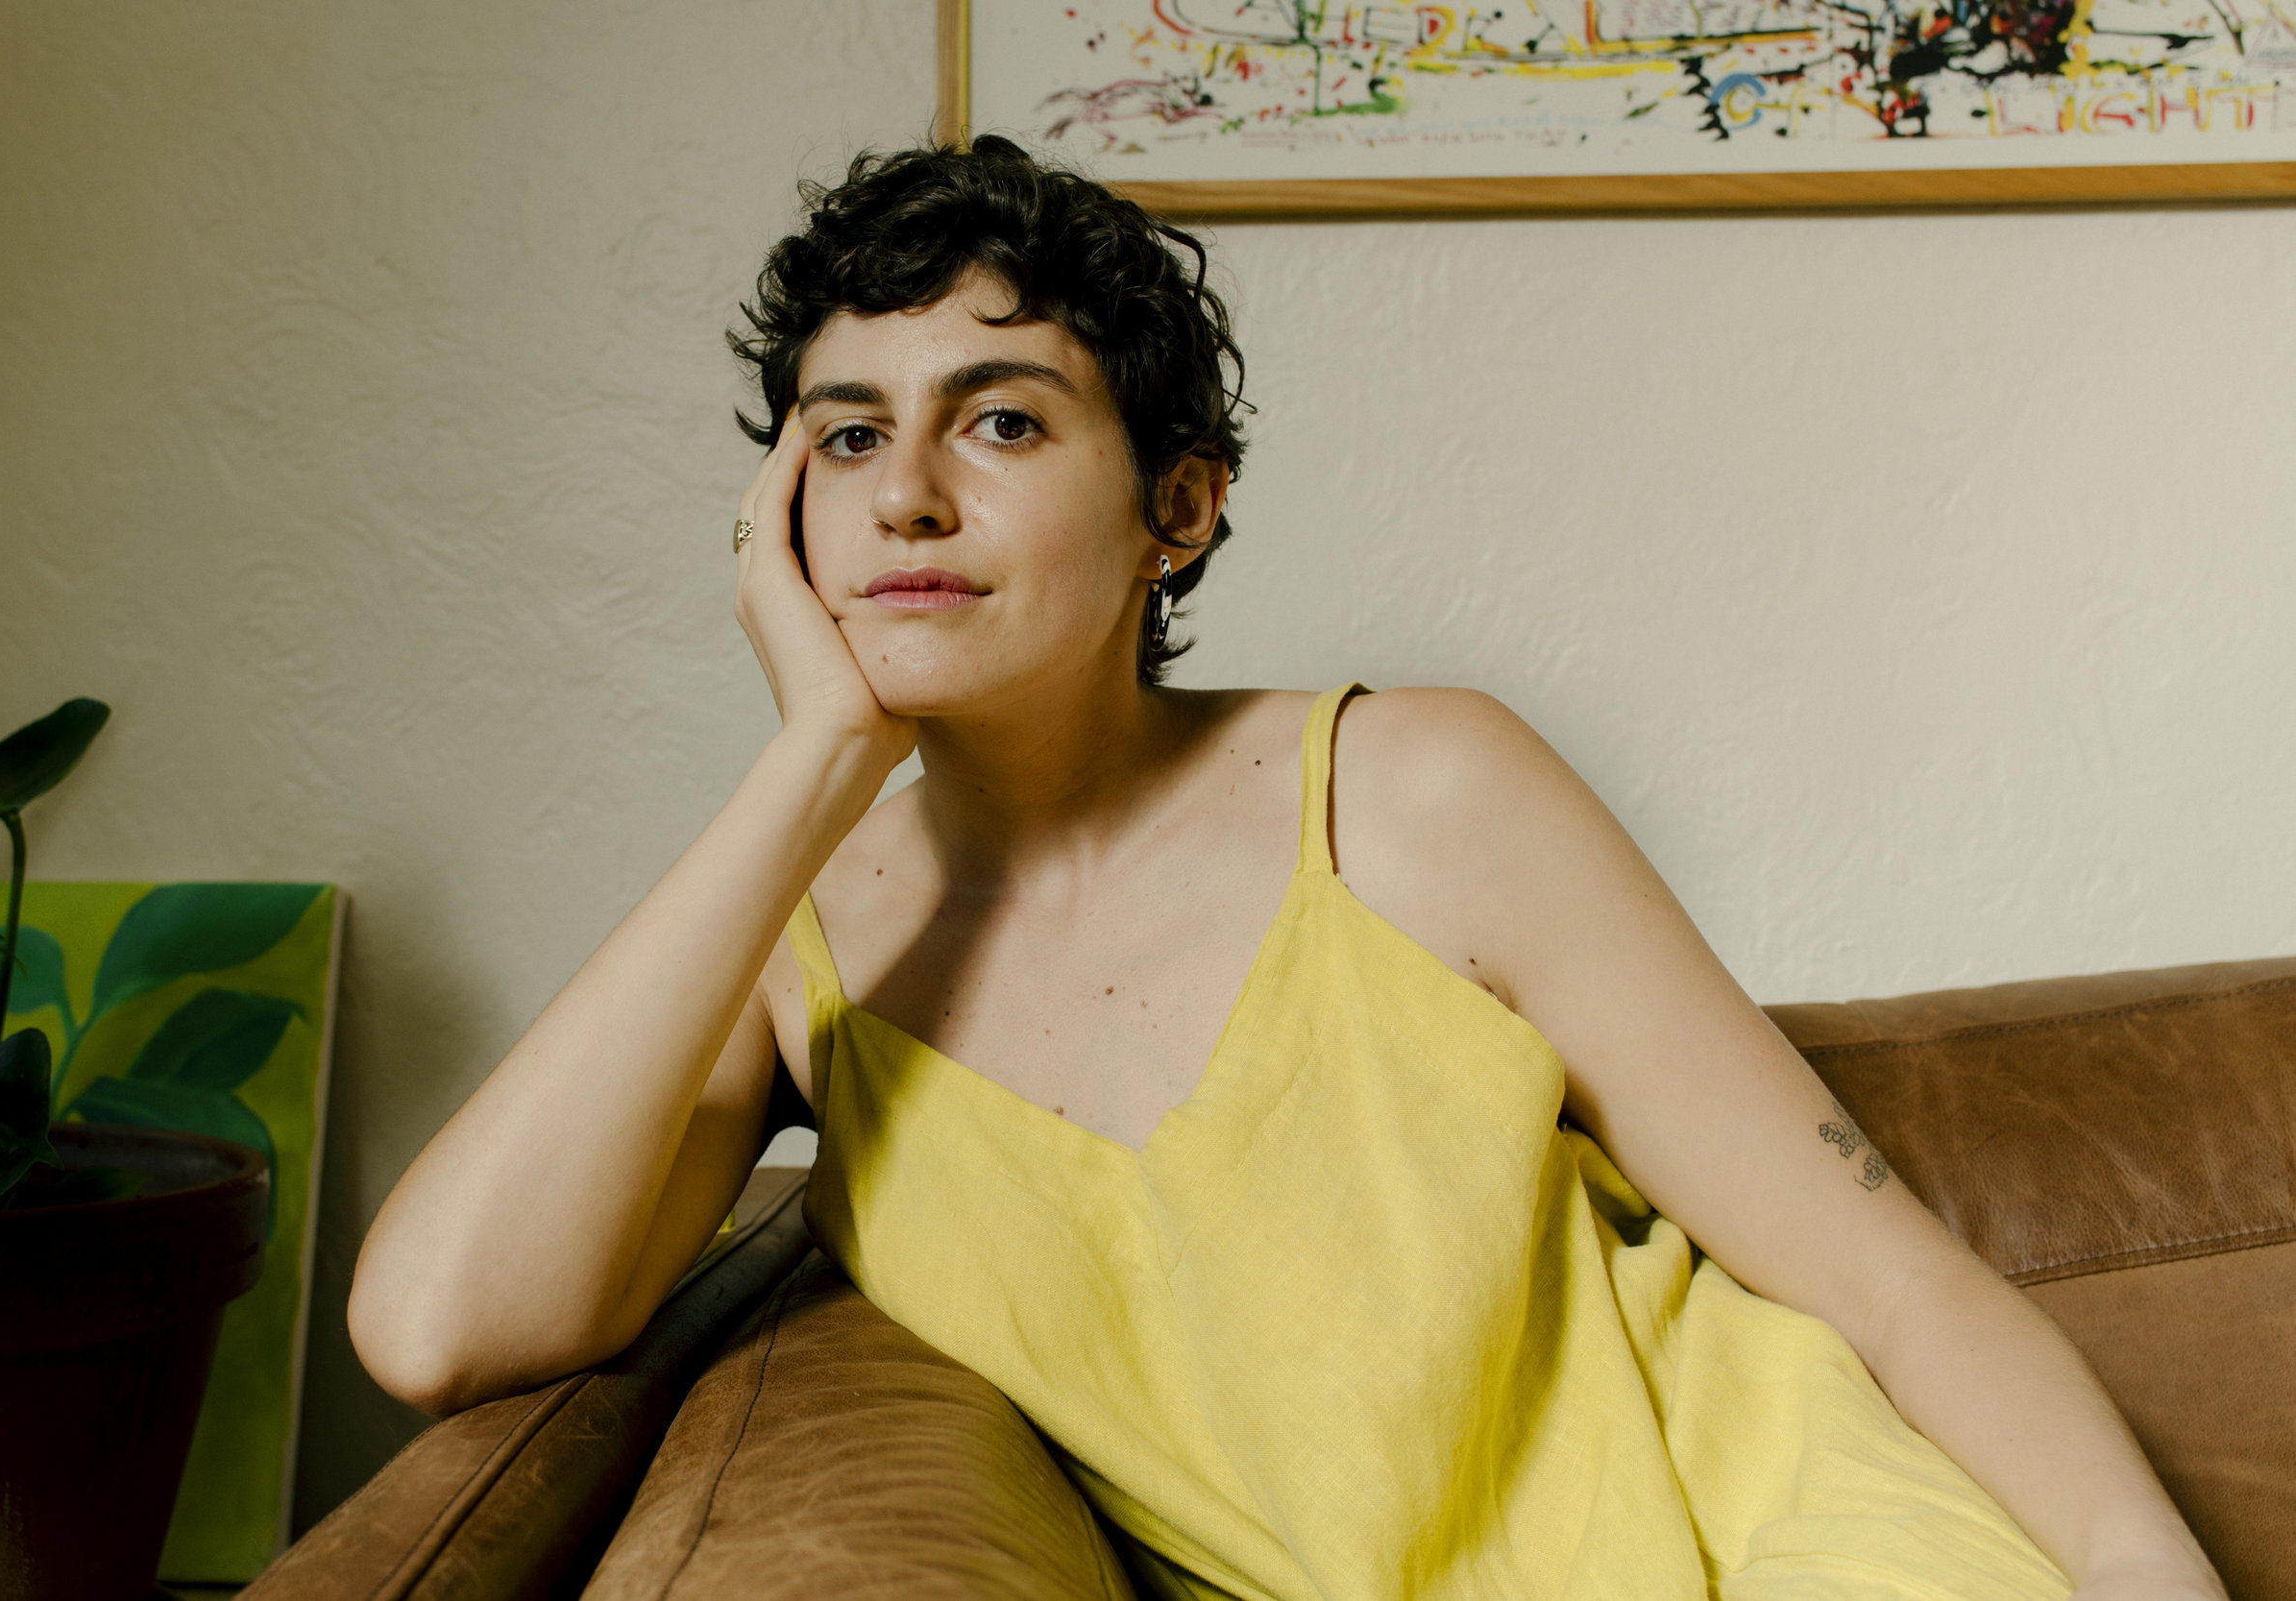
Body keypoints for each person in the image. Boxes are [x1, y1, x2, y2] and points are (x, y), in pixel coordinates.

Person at [349, 136, 2225, 1601]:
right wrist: (812, 760)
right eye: (849, 437)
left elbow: (1885, 1284)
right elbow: (433, 1325)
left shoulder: (1418, 789)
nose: (908, 491)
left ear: (1176, 507)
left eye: (1000, 419)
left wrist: (2147, 1574)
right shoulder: (798, 951)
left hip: (1795, 1551)